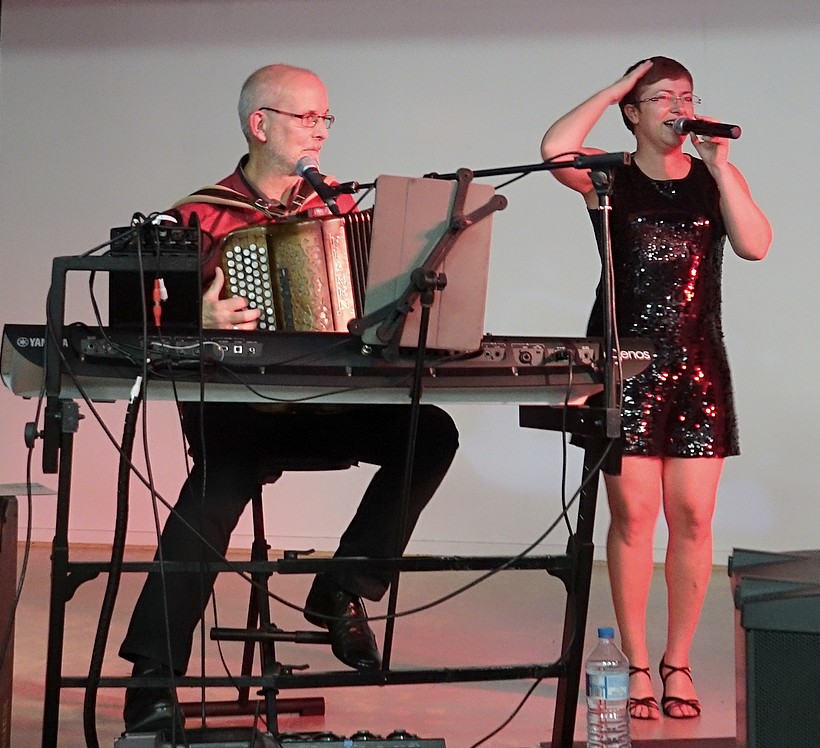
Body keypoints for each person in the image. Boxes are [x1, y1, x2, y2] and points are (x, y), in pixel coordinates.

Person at [118, 63, 459, 734]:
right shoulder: (197, 215)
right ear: (260, 124)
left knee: (432, 431)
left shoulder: (338, 210)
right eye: (306, 117)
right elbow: (136, 322)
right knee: (211, 494)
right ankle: (151, 682)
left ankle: (341, 588)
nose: (321, 131)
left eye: (325, 117)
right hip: (238, 415)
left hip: (326, 405)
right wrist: (195, 320)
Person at [540, 57, 771, 720]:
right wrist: (616, 86)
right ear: (633, 113)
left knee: (694, 518)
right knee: (635, 517)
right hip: (627, 367)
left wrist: (721, 167)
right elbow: (554, 149)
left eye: (687, 97)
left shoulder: (711, 177)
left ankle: (678, 662)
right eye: (663, 97)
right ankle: (636, 661)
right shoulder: (607, 179)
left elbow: (756, 245)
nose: (679, 107)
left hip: (698, 366)